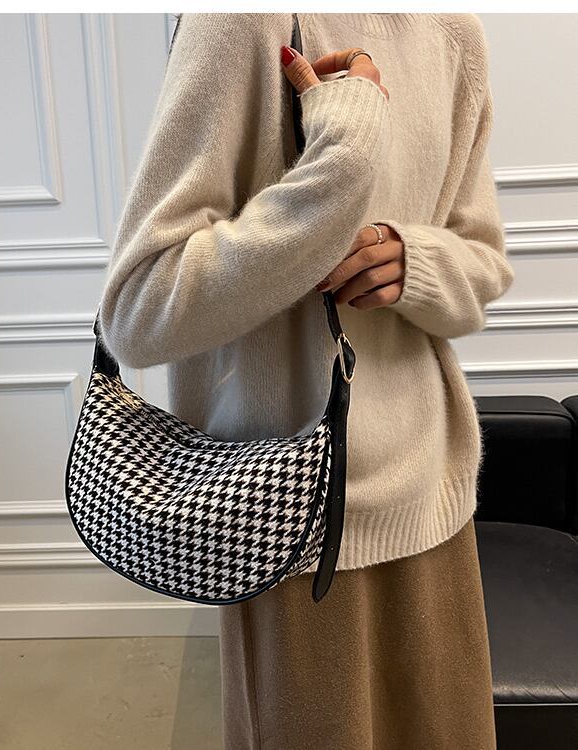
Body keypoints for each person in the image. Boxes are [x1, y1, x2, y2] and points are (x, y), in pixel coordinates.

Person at [96, 12, 515, 750]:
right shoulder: (240, 23)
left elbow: (483, 264)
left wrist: (414, 261)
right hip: (290, 526)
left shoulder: (455, 34)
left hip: (435, 505)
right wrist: (343, 157)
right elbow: (139, 310)